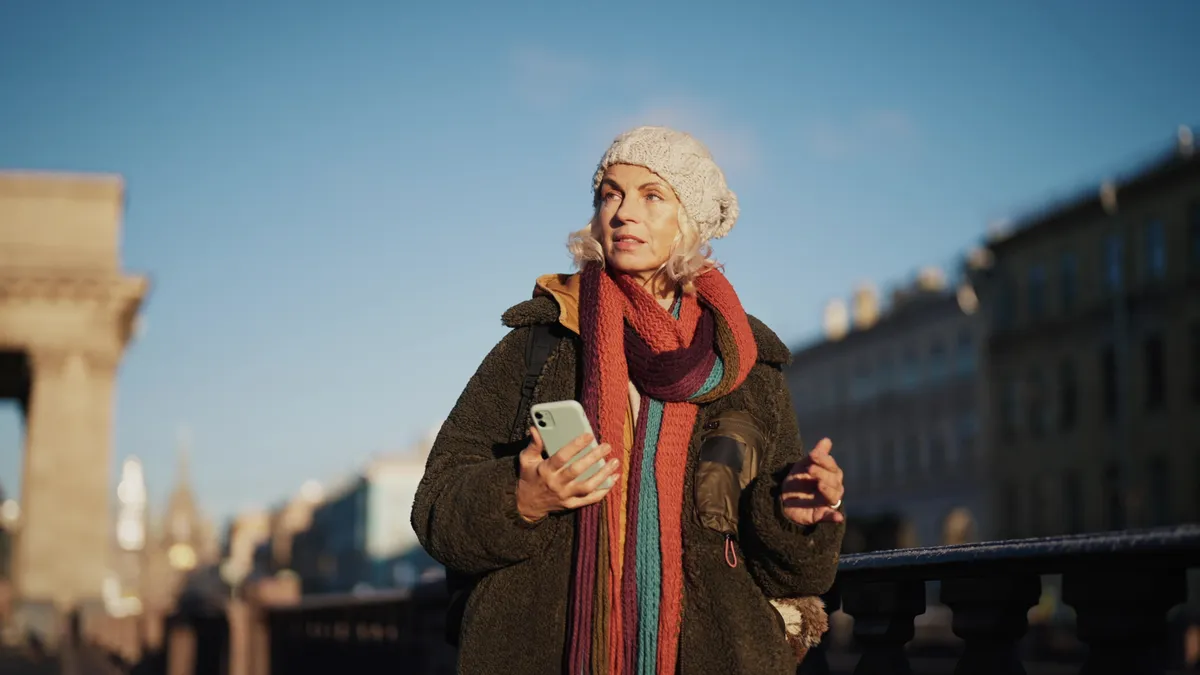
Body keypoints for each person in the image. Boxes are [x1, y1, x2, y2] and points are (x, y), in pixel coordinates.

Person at [411, 126, 846, 675]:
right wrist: (523, 498)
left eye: (652, 195)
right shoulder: (541, 340)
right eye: (610, 194)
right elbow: (435, 506)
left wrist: (794, 517)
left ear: (688, 219)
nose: (623, 213)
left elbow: (794, 576)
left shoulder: (749, 365)